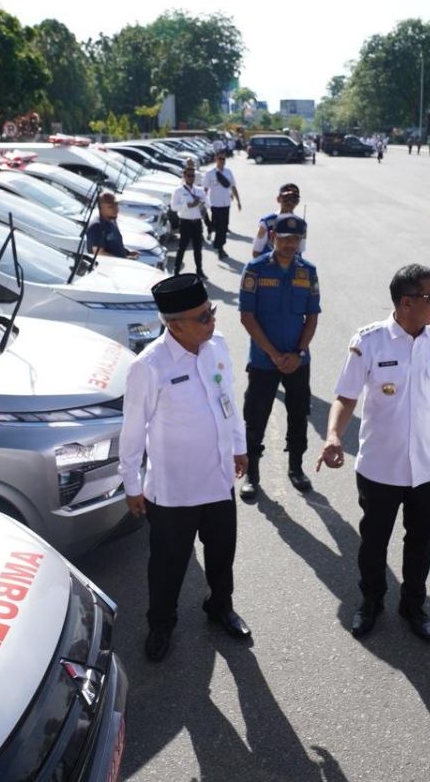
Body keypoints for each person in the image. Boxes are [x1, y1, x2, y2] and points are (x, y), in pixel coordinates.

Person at [317, 264, 430, 641]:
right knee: (374, 542)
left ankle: (413, 605)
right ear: (406, 302)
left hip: (428, 468)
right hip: (380, 467)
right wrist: (333, 435)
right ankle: (371, 601)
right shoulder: (369, 341)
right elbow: (346, 397)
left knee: (419, 543)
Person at [118, 274, 251, 662]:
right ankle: (161, 623)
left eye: (211, 312)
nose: (212, 321)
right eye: (202, 317)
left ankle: (219, 606)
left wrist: (239, 447)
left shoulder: (218, 346)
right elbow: (133, 429)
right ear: (173, 325)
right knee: (168, 563)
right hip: (173, 490)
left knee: (222, 552)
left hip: (219, 478)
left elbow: (229, 400)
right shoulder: (149, 366)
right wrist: (131, 483)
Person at [238, 215, 320, 502]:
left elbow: (311, 317)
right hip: (263, 360)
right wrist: (274, 354)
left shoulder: (307, 271)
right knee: (255, 418)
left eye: (295, 239)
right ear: (273, 237)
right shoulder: (256, 270)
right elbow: (247, 317)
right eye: (284, 238)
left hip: (298, 360)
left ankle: (296, 467)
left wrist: (298, 353)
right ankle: (252, 472)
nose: (290, 244)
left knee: (299, 414)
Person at [203, 152, 241, 261]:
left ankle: (218, 242)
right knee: (220, 227)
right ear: (216, 159)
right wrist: (203, 202)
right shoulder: (210, 173)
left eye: (224, 159)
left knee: (224, 227)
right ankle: (220, 248)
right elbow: (205, 189)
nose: (222, 161)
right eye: (220, 158)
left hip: (226, 204)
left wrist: (238, 201)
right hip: (215, 204)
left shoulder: (228, 172)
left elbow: (233, 187)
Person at [171, 167, 209, 278]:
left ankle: (199, 270)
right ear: (184, 176)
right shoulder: (179, 190)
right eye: (188, 175)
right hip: (185, 222)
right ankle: (176, 270)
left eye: (193, 176)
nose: (191, 178)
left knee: (198, 248)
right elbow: (173, 207)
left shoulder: (199, 190)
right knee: (182, 247)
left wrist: (201, 202)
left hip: (197, 222)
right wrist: (188, 205)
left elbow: (208, 204)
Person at [251, 183, 306, 258]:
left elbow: (300, 250)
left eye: (294, 199)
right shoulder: (267, 222)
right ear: (278, 199)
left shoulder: (301, 224)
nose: (290, 202)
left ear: (298, 202)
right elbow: (256, 251)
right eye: (286, 198)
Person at [85, 191, 139, 261]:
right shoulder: (97, 226)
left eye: (116, 205)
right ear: (101, 208)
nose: (115, 209)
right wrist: (122, 260)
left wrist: (127, 253)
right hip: (107, 269)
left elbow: (113, 245)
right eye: (110, 207)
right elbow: (99, 253)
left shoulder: (111, 220)